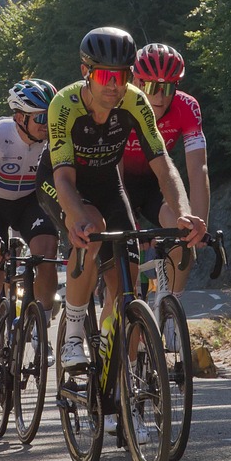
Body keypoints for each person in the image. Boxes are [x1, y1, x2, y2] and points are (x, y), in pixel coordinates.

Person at [36, 27, 205, 388]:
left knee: (127, 281)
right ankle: (72, 336)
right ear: (86, 72)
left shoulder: (134, 101)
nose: (114, 85)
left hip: (107, 183)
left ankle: (114, 366)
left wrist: (183, 213)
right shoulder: (64, 105)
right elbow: (63, 178)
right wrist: (77, 219)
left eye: (123, 75)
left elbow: (164, 165)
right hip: (62, 182)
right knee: (91, 231)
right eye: (105, 76)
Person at [0, 78, 60, 411]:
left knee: (47, 252)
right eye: (40, 118)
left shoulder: (53, 140)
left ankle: (40, 329)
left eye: (51, 117)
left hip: (30, 203)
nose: (47, 125)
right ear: (20, 117)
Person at [123, 43, 210, 303]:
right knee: (124, 260)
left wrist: (199, 223)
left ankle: (171, 308)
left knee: (185, 237)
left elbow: (198, 168)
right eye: (152, 88)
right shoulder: (120, 103)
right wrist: (131, 224)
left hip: (157, 183)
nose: (160, 97)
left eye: (169, 88)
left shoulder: (187, 106)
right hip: (117, 184)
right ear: (136, 82)